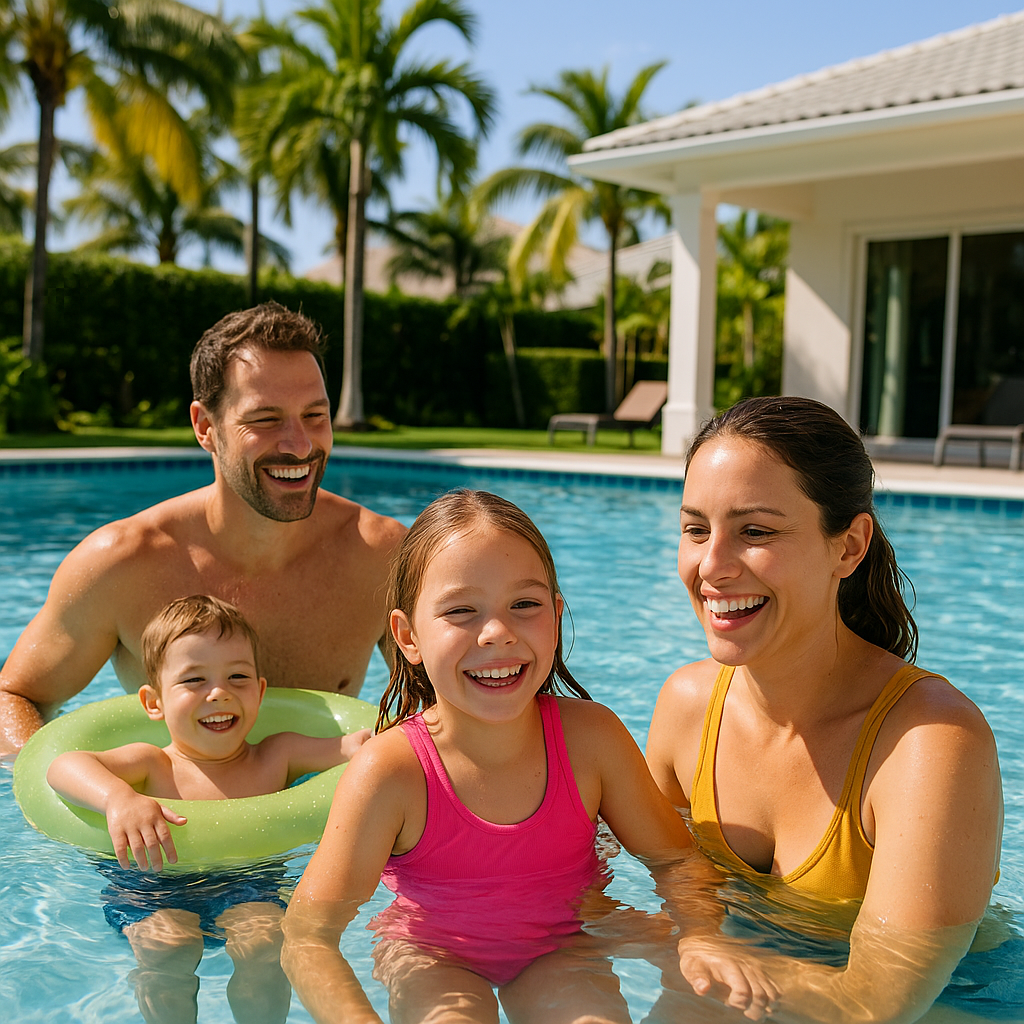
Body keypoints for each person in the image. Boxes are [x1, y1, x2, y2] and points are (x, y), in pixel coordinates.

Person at [280, 490, 774, 1024]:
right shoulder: (391, 772)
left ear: (556, 614)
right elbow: (309, 934)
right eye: (461, 611)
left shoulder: (592, 740)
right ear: (407, 636)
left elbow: (676, 862)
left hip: (563, 944)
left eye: (525, 604)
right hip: (433, 956)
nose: (498, 633)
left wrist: (700, 937)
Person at [644, 396, 1004, 1021]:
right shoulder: (687, 708)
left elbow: (875, 1004)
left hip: (957, 1005)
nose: (713, 565)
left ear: (849, 546)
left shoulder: (930, 743)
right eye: (697, 528)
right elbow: (660, 881)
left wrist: (698, 949)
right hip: (753, 981)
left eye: (755, 531)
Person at [0, 301, 406, 760]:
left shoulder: (380, 555)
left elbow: (444, 706)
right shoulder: (122, 565)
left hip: (329, 819)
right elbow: (15, 697)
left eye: (315, 415)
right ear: (205, 426)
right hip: (172, 820)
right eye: (265, 419)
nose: (300, 445)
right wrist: (57, 784)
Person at [47, 594, 371, 1024]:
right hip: (155, 883)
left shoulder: (278, 754)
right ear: (153, 701)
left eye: (237, 677)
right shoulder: (152, 763)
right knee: (170, 946)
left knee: (267, 943)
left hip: (249, 881)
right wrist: (119, 798)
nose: (219, 693)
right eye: (194, 680)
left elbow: (359, 747)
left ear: (259, 692)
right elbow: (63, 767)